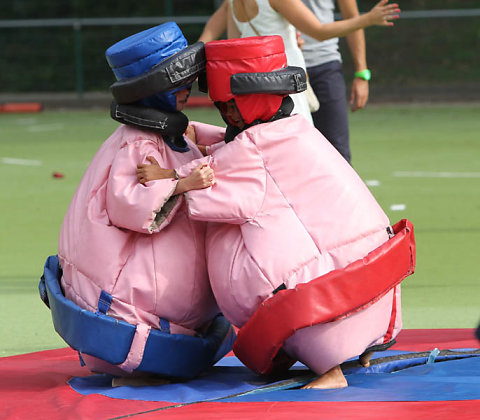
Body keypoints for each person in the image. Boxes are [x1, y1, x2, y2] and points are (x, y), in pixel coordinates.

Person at [137, 36, 413, 389]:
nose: (228, 115)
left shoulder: (253, 150)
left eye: (231, 106)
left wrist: (170, 176)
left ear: (253, 100)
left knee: (283, 264)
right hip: (373, 282)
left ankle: (330, 370)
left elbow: (210, 178)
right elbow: (231, 145)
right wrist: (192, 132)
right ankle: (358, 347)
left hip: (330, 301)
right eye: (223, 107)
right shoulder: (292, 130)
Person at [53, 22, 234, 379]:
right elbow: (128, 205)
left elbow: (210, 142)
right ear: (152, 90)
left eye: (186, 82)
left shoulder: (172, 132)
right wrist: (182, 183)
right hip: (125, 296)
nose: (185, 91)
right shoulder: (138, 143)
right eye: (175, 85)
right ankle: (133, 339)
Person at [198, 0, 400, 125]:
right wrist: (368, 19)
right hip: (286, 84)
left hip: (257, 91)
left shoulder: (233, 2)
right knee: (300, 149)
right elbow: (319, 32)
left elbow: (239, 44)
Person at [301, 0, 373, 163]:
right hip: (283, 69)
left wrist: (362, 73)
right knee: (290, 155)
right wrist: (370, 18)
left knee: (338, 156)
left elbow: (351, 17)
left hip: (324, 67)